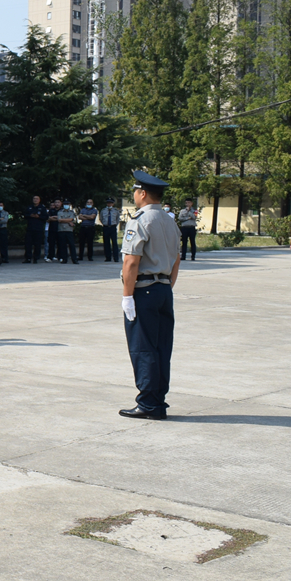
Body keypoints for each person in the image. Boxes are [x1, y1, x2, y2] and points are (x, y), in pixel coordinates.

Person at [117, 170, 181, 419]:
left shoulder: (140, 221)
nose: (134, 195)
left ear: (142, 194)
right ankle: (157, 400)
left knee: (143, 348)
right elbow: (176, 260)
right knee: (162, 348)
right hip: (164, 289)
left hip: (143, 291)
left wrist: (127, 296)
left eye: (135, 191)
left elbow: (131, 263)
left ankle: (148, 403)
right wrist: (166, 286)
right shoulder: (169, 221)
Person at [23, 195, 48, 263]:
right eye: (34, 198)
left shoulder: (42, 208)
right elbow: (25, 215)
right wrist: (30, 215)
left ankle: (36, 258)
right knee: (28, 244)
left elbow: (45, 217)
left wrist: (38, 216)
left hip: (38, 229)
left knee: (37, 244)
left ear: (39, 200)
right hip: (30, 228)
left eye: (37, 199)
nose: (35, 200)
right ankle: (28, 258)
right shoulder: (29, 207)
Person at [55, 199, 78, 264]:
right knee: (62, 245)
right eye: (65, 204)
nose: (66, 206)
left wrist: (65, 220)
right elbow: (59, 220)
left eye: (67, 204)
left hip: (69, 230)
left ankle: (74, 259)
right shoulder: (60, 212)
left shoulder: (72, 212)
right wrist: (69, 221)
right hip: (61, 230)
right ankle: (64, 259)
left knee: (72, 245)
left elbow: (72, 219)